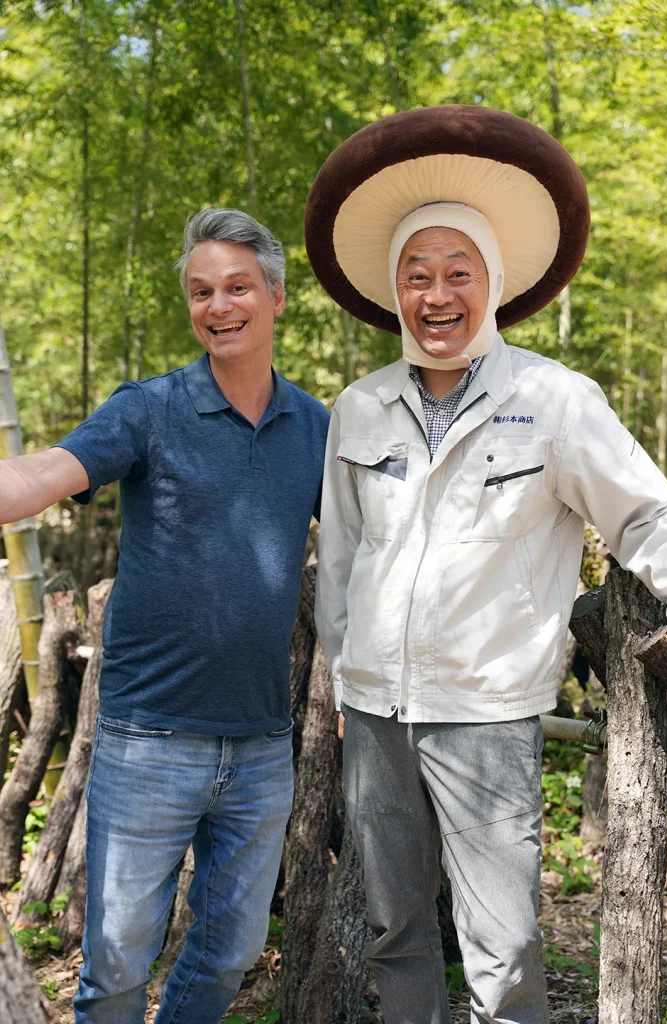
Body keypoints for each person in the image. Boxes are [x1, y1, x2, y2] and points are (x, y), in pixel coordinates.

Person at [306, 105, 667, 1024]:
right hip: (376, 713)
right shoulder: (358, 408)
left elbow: (649, 514)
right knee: (396, 929)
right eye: (416, 276)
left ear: (494, 281)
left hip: (487, 710)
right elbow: (346, 553)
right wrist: (343, 680)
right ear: (395, 291)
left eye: (457, 273)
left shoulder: (554, 399)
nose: (436, 296)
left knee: (504, 944)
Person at [0, 208, 329, 1024]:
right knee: (114, 966)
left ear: (277, 297)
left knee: (230, 954)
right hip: (149, 740)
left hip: (260, 746)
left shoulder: (318, 427)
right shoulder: (149, 409)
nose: (218, 306)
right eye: (200, 291)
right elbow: (48, 472)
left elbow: (379, 550)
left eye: (237, 287)